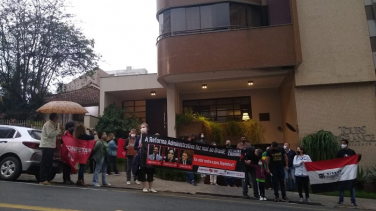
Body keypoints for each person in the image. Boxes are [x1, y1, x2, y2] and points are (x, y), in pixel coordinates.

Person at [336, 139, 362, 207]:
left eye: (343, 143)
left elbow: (355, 160)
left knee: (352, 187)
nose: (342, 145)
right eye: (341, 143)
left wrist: (359, 156)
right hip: (343, 172)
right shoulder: (339, 152)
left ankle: (353, 202)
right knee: (341, 187)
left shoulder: (351, 152)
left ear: (347, 144)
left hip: (350, 173)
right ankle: (340, 201)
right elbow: (336, 161)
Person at [39, 113, 62, 185]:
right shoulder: (49, 124)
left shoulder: (53, 124)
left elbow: (53, 134)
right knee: (45, 163)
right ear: (54, 118)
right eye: (57, 117)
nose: (58, 119)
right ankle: (43, 179)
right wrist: (58, 130)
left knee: (49, 163)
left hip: (50, 145)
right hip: (47, 145)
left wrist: (58, 130)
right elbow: (50, 134)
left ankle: (48, 179)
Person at [134, 123, 157, 193]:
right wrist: (138, 147)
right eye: (141, 127)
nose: (142, 128)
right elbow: (135, 146)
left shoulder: (150, 137)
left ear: (147, 128)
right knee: (142, 171)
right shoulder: (138, 137)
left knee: (150, 172)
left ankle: (151, 187)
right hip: (141, 156)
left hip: (149, 156)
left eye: (143, 127)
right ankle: (144, 187)